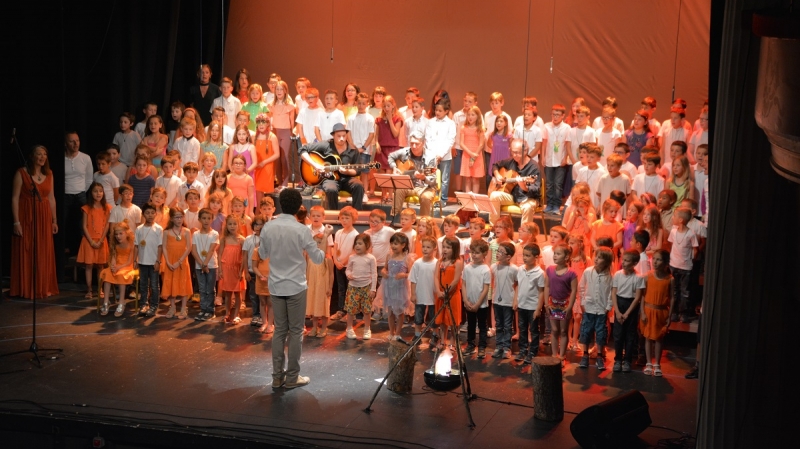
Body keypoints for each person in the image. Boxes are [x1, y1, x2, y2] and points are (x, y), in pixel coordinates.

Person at [259, 189, 327, 388]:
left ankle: (277, 377)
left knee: (280, 330)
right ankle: (292, 377)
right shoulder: (302, 229)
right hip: (296, 285)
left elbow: (262, 253)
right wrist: (322, 240)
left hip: (277, 284)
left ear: (280, 204)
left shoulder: (269, 227)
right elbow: (318, 258)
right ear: (298, 207)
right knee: (296, 332)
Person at [11, 145, 59, 299]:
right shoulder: (21, 173)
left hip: (44, 217)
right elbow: (15, 198)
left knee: (43, 249)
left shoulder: (49, 174)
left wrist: (54, 220)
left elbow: (51, 198)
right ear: (32, 156)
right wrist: (16, 222)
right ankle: (27, 288)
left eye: (44, 154)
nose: (42, 157)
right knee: (28, 249)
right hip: (26, 216)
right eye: (39, 154)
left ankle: (43, 287)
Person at [299, 123, 366, 210]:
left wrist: (347, 171)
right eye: (338, 136)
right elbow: (302, 150)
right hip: (330, 179)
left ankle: (356, 214)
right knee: (331, 189)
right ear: (333, 136)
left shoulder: (353, 149)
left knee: (359, 185)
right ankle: (333, 215)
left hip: (347, 179)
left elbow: (358, 171)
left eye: (344, 136)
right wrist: (315, 165)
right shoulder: (326, 145)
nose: (342, 138)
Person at [487, 138, 541, 224]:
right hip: (512, 196)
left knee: (528, 207)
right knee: (494, 195)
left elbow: (535, 189)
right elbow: (495, 165)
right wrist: (497, 175)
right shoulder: (510, 161)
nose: (515, 155)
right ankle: (494, 229)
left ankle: (524, 235)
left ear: (525, 151)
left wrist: (523, 186)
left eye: (518, 153)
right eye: (513, 152)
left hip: (528, 198)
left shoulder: (534, 167)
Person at [577, 247, 614, 370]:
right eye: (596, 256)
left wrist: (608, 308)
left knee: (601, 333)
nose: (597, 259)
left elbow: (611, 293)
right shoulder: (588, 271)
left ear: (607, 261)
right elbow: (581, 287)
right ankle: (585, 355)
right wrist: (582, 303)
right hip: (589, 308)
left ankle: (599, 356)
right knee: (586, 331)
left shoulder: (610, 276)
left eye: (600, 257)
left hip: (602, 310)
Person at [640, 249, 675, 377]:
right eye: (654, 258)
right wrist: (642, 312)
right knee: (648, 338)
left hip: (661, 312)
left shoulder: (670, 279)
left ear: (665, 262)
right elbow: (643, 296)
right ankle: (649, 363)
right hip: (648, 310)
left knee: (659, 338)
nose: (655, 261)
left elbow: (672, 299)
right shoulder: (648, 276)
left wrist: (669, 315)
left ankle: (657, 364)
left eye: (658, 259)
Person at [611, 249, 646, 373]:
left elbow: (637, 297)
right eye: (623, 260)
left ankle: (627, 360)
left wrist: (627, 313)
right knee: (618, 335)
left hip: (631, 306)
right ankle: (618, 359)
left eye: (627, 260)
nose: (624, 263)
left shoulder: (638, 277)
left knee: (630, 335)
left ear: (635, 262)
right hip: (619, 304)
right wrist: (617, 311)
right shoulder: (617, 274)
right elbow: (614, 293)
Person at [388, 131, 438, 217]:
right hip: (408, 184)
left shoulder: (431, 157)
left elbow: (433, 179)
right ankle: (394, 219)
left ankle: (424, 223)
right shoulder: (405, 152)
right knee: (398, 190)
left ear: (423, 143)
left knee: (426, 197)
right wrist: (394, 167)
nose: (414, 146)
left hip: (425, 187)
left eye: (417, 144)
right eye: (411, 143)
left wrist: (424, 178)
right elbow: (391, 156)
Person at [77, 182, 111, 299]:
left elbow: (107, 225)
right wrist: (91, 241)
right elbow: (84, 226)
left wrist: (101, 240)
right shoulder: (87, 208)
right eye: (95, 191)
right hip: (89, 240)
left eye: (100, 191)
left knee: (101, 266)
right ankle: (89, 290)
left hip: (101, 240)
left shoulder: (107, 207)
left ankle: (100, 289)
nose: (98, 193)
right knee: (89, 266)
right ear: (91, 193)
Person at [544, 243, 577, 362]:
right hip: (552, 304)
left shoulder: (571, 273)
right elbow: (547, 286)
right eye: (555, 254)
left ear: (567, 257)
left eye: (558, 254)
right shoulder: (550, 270)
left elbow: (574, 291)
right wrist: (546, 303)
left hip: (564, 305)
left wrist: (570, 306)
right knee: (554, 330)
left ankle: (562, 356)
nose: (555, 256)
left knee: (563, 331)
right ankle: (554, 355)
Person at [305, 205, 334, 337]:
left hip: (323, 282)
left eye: (318, 215)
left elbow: (331, 274)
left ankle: (324, 328)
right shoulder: (306, 231)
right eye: (313, 215)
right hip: (312, 282)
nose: (315, 218)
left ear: (323, 217)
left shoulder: (327, 259)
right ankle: (314, 327)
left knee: (323, 305)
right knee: (313, 304)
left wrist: (330, 287)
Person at [63, 132, 94, 256]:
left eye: (77, 140)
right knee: (64, 223)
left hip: (81, 194)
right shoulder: (62, 158)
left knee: (83, 225)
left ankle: (83, 252)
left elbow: (89, 178)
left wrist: (82, 190)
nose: (76, 144)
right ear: (66, 144)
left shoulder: (85, 158)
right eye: (72, 141)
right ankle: (65, 249)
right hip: (65, 195)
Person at [516, 243, 546, 364]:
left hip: (532, 306)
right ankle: (523, 349)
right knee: (522, 328)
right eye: (524, 255)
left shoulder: (539, 273)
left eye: (528, 255)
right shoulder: (520, 269)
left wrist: (538, 308)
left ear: (536, 257)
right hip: (522, 305)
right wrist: (516, 301)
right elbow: (518, 286)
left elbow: (541, 291)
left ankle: (533, 350)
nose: (525, 258)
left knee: (534, 329)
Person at [160, 208, 193, 319]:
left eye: (181, 217)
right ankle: (172, 307)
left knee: (183, 283)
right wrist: (168, 262)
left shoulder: (186, 231)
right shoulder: (166, 232)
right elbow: (164, 247)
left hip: (182, 262)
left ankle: (183, 308)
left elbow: (189, 248)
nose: (179, 219)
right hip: (170, 261)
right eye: (176, 217)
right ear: (172, 218)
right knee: (171, 284)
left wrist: (180, 261)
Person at [542, 104, 575, 214]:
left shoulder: (567, 128)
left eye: (557, 115)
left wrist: (565, 158)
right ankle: (549, 204)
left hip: (560, 160)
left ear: (562, 116)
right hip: (549, 160)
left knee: (558, 184)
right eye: (553, 114)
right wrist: (542, 157)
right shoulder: (546, 126)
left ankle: (556, 205)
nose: (555, 117)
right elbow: (544, 143)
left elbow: (567, 145)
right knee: (549, 184)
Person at [424, 99, 457, 206]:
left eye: (440, 111)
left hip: (445, 156)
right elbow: (428, 138)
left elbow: (450, 140)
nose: (437, 112)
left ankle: (442, 199)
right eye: (436, 110)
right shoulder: (430, 122)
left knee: (444, 179)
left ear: (446, 111)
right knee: (432, 178)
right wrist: (433, 155)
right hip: (432, 155)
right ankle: (432, 197)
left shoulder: (451, 124)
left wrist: (441, 154)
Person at [99, 222, 136, 316]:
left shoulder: (132, 244)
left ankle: (121, 302)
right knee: (107, 273)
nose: (118, 236)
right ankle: (106, 302)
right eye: (116, 234)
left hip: (127, 266)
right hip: (118, 265)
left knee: (121, 275)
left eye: (120, 234)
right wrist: (113, 266)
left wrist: (119, 267)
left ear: (126, 233)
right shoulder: (115, 244)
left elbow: (129, 261)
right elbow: (114, 257)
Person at [462, 239, 491, 357]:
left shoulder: (485, 269)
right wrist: (465, 300)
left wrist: (478, 303)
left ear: (484, 254)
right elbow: (463, 284)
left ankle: (482, 346)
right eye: (472, 252)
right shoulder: (467, 268)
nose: (474, 255)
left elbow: (485, 288)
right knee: (471, 325)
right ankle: (470, 344)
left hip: (481, 305)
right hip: (469, 302)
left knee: (482, 326)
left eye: (477, 252)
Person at [434, 236, 463, 350]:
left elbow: (456, 280)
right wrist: (438, 290)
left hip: (452, 295)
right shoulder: (440, 262)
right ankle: (442, 341)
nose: (445, 250)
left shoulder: (457, 262)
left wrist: (446, 291)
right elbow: (436, 277)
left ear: (454, 249)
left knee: (453, 319)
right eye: (444, 247)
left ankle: (452, 342)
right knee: (442, 319)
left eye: (448, 247)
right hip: (441, 294)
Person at [382, 233, 413, 342]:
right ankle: (391, 332)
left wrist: (403, 275)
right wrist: (384, 272)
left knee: (399, 312)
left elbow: (411, 273)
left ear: (403, 245)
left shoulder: (407, 258)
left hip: (401, 288)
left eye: (396, 244)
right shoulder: (389, 256)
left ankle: (398, 333)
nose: (393, 246)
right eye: (392, 243)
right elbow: (385, 268)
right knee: (390, 311)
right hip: (389, 286)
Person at [134, 202, 163, 317]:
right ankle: (143, 305)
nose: (150, 215)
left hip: (153, 262)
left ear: (155, 214)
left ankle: (154, 306)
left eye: (152, 213)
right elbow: (136, 245)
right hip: (142, 261)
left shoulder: (158, 229)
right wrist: (135, 260)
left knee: (154, 285)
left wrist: (158, 261)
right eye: (147, 213)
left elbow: (160, 246)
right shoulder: (139, 229)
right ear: (143, 214)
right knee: (143, 285)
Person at [491, 242, 518, 359]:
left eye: (501, 252)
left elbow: (517, 285)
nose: (498, 253)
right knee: (499, 325)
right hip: (497, 300)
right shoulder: (493, 267)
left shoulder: (514, 269)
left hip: (508, 301)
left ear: (508, 256)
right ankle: (498, 346)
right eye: (498, 250)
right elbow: (493, 282)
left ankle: (507, 347)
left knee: (507, 325)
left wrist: (515, 300)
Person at [192, 208, 219, 321]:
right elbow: (194, 250)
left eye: (208, 218)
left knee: (210, 288)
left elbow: (212, 250)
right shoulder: (196, 234)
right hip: (200, 266)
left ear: (212, 219)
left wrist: (205, 264)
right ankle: (203, 309)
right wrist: (202, 264)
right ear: (199, 219)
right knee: (202, 289)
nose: (206, 221)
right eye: (204, 218)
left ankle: (210, 310)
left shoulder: (214, 234)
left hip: (211, 265)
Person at [410, 235, 438, 344]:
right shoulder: (417, 263)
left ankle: (435, 335)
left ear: (434, 249)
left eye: (428, 247)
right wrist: (413, 294)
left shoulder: (436, 263)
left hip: (432, 295)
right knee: (418, 317)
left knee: (434, 317)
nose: (425, 249)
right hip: (420, 294)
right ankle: (417, 335)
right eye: (424, 247)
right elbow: (413, 280)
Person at [219, 215, 245, 324]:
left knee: (238, 293)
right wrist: (220, 270)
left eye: (234, 224)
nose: (232, 226)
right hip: (226, 269)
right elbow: (220, 254)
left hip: (237, 269)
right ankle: (227, 313)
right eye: (230, 224)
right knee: (228, 293)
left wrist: (241, 271)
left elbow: (244, 257)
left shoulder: (242, 240)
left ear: (239, 225)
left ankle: (236, 314)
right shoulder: (224, 239)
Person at [269, 80, 295, 189]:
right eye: (277, 89)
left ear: (285, 91)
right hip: (275, 132)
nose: (279, 91)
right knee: (276, 158)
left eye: (281, 89)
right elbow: (270, 119)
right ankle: (279, 181)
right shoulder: (271, 105)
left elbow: (292, 121)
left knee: (284, 158)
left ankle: (285, 182)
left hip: (285, 132)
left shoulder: (289, 105)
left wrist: (291, 133)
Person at [253, 113, 280, 206]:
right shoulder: (254, 137)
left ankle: (261, 212)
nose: (261, 125)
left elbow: (277, 154)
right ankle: (259, 212)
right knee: (256, 190)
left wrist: (264, 162)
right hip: (256, 167)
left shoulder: (272, 137)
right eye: (259, 122)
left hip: (266, 166)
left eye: (263, 122)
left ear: (268, 124)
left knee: (260, 189)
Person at [458, 105, 486, 193]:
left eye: (473, 115)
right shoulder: (464, 128)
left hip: (477, 155)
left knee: (475, 179)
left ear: (478, 116)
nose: (470, 117)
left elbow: (481, 144)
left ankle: (475, 200)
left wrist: (474, 157)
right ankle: (468, 200)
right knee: (467, 179)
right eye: (469, 115)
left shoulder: (480, 129)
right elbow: (461, 143)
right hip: (467, 155)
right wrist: (471, 154)